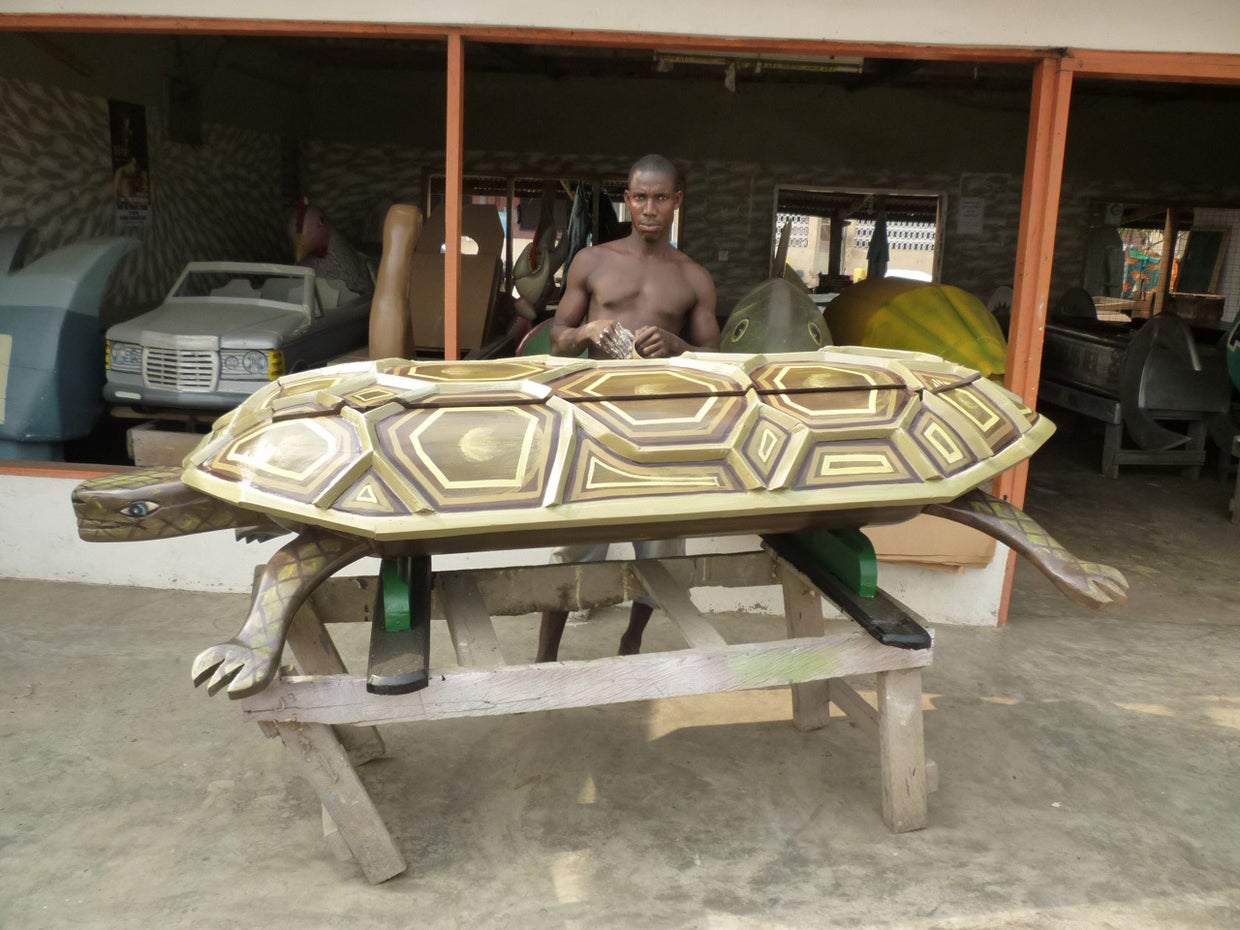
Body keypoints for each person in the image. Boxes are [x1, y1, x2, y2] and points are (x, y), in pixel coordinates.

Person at [536, 153, 720, 663]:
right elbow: (554, 339)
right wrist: (585, 332)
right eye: (640, 197)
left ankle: (633, 637)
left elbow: (719, 362)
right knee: (575, 543)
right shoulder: (593, 261)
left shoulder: (694, 278)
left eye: (661, 198)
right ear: (627, 197)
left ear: (677, 201)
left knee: (660, 547)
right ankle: (545, 656)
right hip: (593, 422)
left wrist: (679, 347)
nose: (650, 208)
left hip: (662, 426)